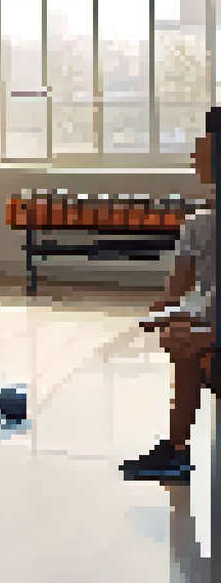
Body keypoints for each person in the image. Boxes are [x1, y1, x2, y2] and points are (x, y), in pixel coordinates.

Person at [121, 106, 220, 483]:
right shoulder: (199, 223)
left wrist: (185, 324)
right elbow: (174, 296)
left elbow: (174, 294)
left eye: (201, 153)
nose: (195, 158)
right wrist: (165, 316)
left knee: (188, 344)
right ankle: (176, 450)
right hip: (211, 322)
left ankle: (177, 450)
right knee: (183, 343)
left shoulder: (199, 223)